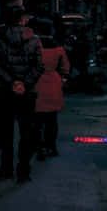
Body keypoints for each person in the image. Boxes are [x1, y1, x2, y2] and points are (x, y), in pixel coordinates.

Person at [0, 0, 44, 183]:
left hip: (5, 91)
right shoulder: (34, 39)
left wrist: (12, 82)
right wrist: (24, 84)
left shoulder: (0, 38)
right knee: (26, 132)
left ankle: (6, 168)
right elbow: (38, 66)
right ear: (22, 19)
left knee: (5, 133)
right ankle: (23, 170)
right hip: (27, 93)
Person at [33, 24, 70, 159]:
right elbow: (65, 68)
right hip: (54, 84)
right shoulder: (58, 48)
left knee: (37, 121)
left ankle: (39, 147)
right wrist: (63, 79)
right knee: (52, 120)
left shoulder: (34, 46)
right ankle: (51, 146)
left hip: (37, 83)